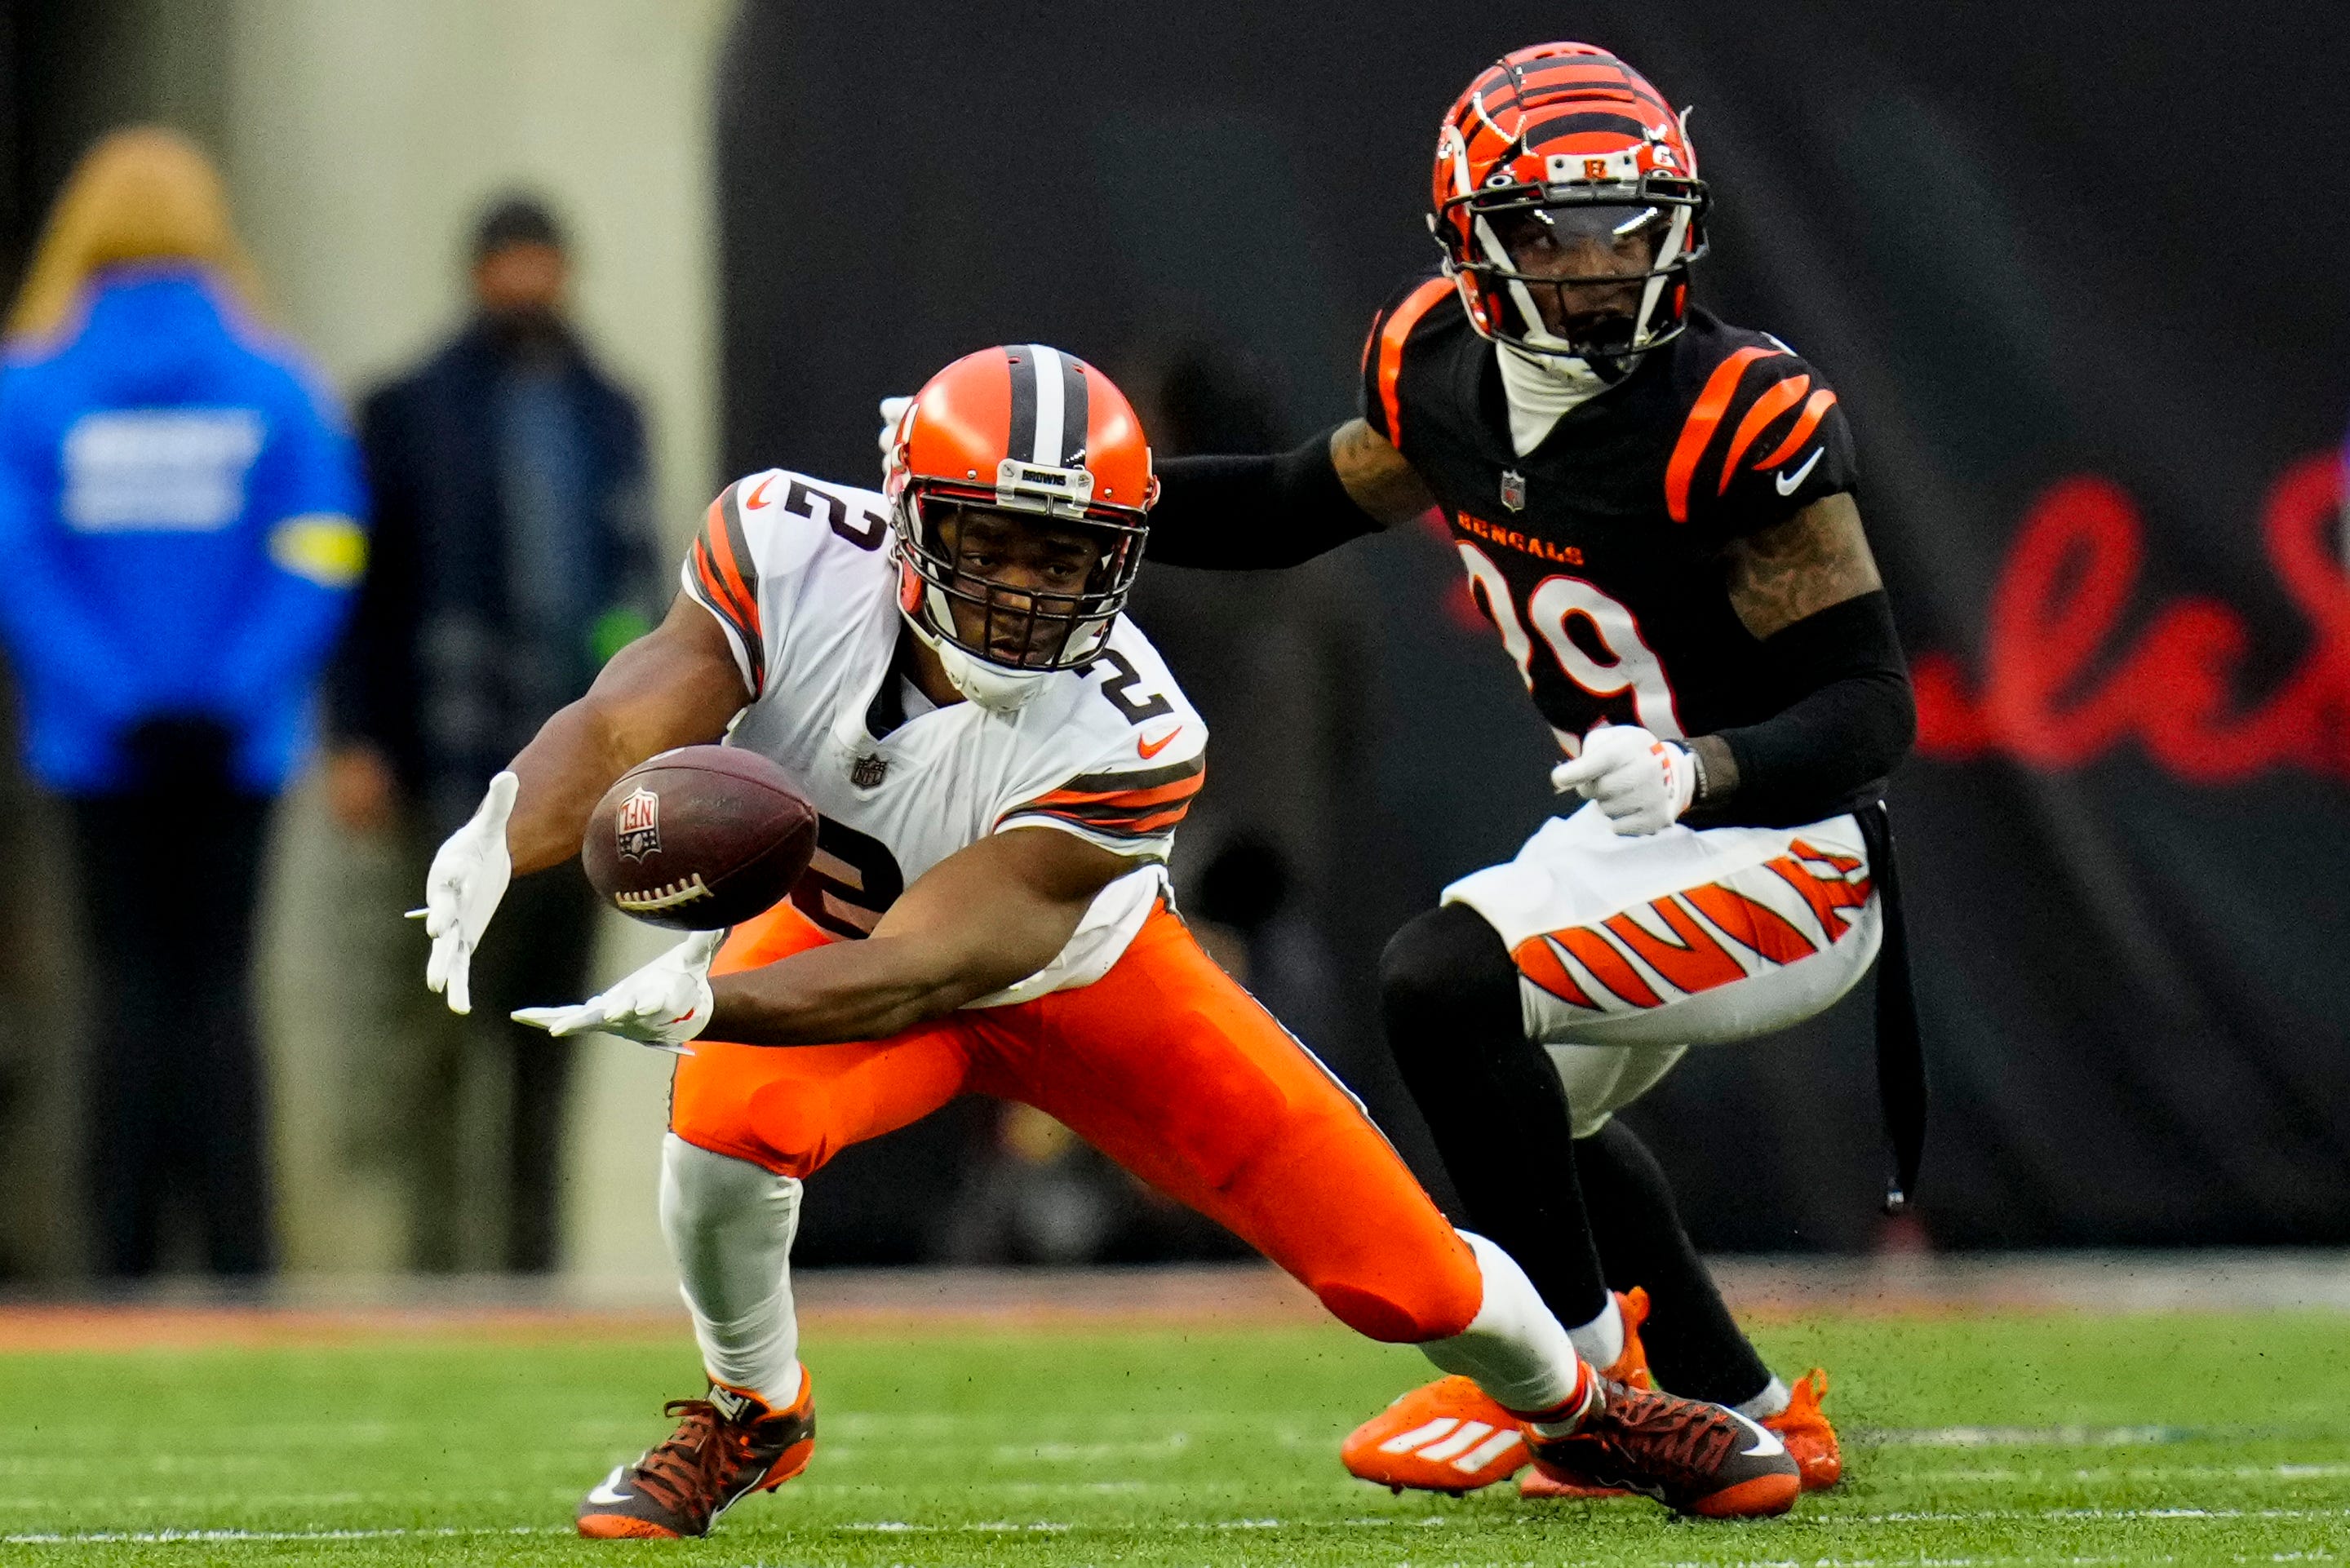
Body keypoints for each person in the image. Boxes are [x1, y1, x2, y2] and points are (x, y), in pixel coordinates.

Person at [419, 344, 1802, 1538]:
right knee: (720, 1140)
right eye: (992, 543)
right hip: (847, 937)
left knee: (1408, 1273)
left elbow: (937, 961)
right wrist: (501, 823)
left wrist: (711, 1002)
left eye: (1065, 554)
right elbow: (623, 723)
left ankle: (1587, 1407)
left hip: (1075, 979)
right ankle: (752, 1410)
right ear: (907, 517)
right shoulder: (784, 547)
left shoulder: (1134, 731)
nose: (1027, 590)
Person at [1130, 43, 1918, 1497]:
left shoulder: (1737, 413)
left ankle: (1574, 1385)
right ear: (1475, 247)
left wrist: (1704, 771)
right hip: (1636, 830)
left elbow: (1873, 706)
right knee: (1526, 1102)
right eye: (1556, 233)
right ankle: (1741, 1402)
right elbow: (1297, 501)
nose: (1604, 267)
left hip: (1791, 845)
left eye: (1632, 228)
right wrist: (1077, 501)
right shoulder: (1437, 368)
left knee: (1443, 981)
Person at [0, 127, 366, 1278]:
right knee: (219, 991)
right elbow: (323, 547)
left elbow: (20, 562)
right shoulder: (276, 385)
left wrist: (115, 695)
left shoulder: (31, 387)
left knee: (123, 993)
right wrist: (234, 688)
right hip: (236, 747)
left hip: (97, 748)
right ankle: (240, 1257)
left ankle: (116, 1260)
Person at [326, 193, 660, 1273]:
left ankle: (530, 1269)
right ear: (478, 274)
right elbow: (364, 590)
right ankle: (435, 1268)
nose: (526, 284)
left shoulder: (610, 413)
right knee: (436, 1038)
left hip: (581, 781)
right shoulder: (409, 411)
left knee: (549, 1033)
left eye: (540, 263)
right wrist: (355, 737)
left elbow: (637, 588)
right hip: (451, 769)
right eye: (509, 264)